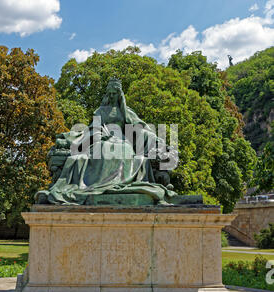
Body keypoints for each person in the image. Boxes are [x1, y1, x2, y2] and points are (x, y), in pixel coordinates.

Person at [36, 77, 177, 205]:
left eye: (114, 93)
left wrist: (155, 141)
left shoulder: (126, 112)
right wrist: (100, 135)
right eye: (109, 93)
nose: (111, 96)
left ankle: (115, 183)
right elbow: (93, 129)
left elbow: (140, 128)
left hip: (123, 143)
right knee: (102, 151)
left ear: (119, 94)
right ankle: (100, 185)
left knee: (124, 152)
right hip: (101, 140)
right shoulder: (100, 111)